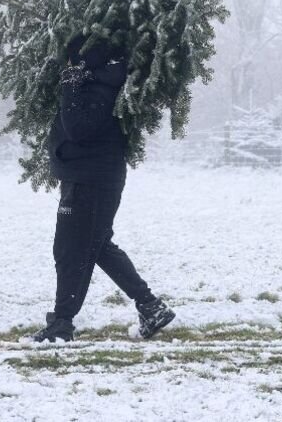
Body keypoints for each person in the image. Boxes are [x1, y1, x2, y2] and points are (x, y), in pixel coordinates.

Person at [31, 35, 175, 343]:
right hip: (87, 177)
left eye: (71, 62)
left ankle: (62, 323)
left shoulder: (100, 87)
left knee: (71, 250)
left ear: (82, 62)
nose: (67, 67)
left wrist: (71, 85)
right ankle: (150, 306)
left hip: (91, 181)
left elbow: (78, 129)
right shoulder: (102, 81)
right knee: (96, 246)